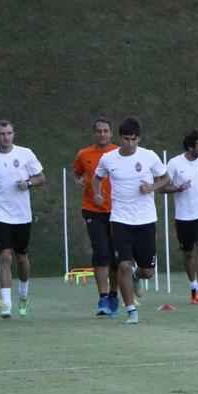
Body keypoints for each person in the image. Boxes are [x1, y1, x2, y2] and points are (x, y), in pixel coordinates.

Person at [93, 117, 169, 325]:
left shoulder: (149, 156)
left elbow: (165, 178)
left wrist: (151, 187)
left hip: (146, 220)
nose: (130, 143)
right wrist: (98, 194)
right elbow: (97, 178)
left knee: (147, 272)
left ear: (139, 139)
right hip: (120, 219)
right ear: (120, 138)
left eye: (134, 139)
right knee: (123, 265)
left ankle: (137, 276)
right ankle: (131, 311)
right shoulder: (109, 159)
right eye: (126, 139)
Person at [0, 120, 46, 319]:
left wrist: (28, 183)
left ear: (13, 134)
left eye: (8, 133)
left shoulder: (25, 153)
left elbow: (41, 177)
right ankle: (6, 304)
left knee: (21, 257)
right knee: (5, 255)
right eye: (2, 134)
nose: (5, 137)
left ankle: (23, 295)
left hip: (21, 214)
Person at [71, 117, 119, 316]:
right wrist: (79, 180)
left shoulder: (118, 153)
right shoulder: (84, 154)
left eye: (106, 131)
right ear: (94, 133)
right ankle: (103, 298)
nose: (102, 134)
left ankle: (114, 294)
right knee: (101, 253)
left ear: (111, 133)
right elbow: (77, 173)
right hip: (93, 209)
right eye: (99, 131)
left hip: (118, 210)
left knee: (116, 256)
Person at [163, 130, 198, 304]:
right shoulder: (174, 163)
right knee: (188, 253)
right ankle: (193, 286)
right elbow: (162, 187)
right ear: (190, 147)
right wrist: (178, 188)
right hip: (183, 215)